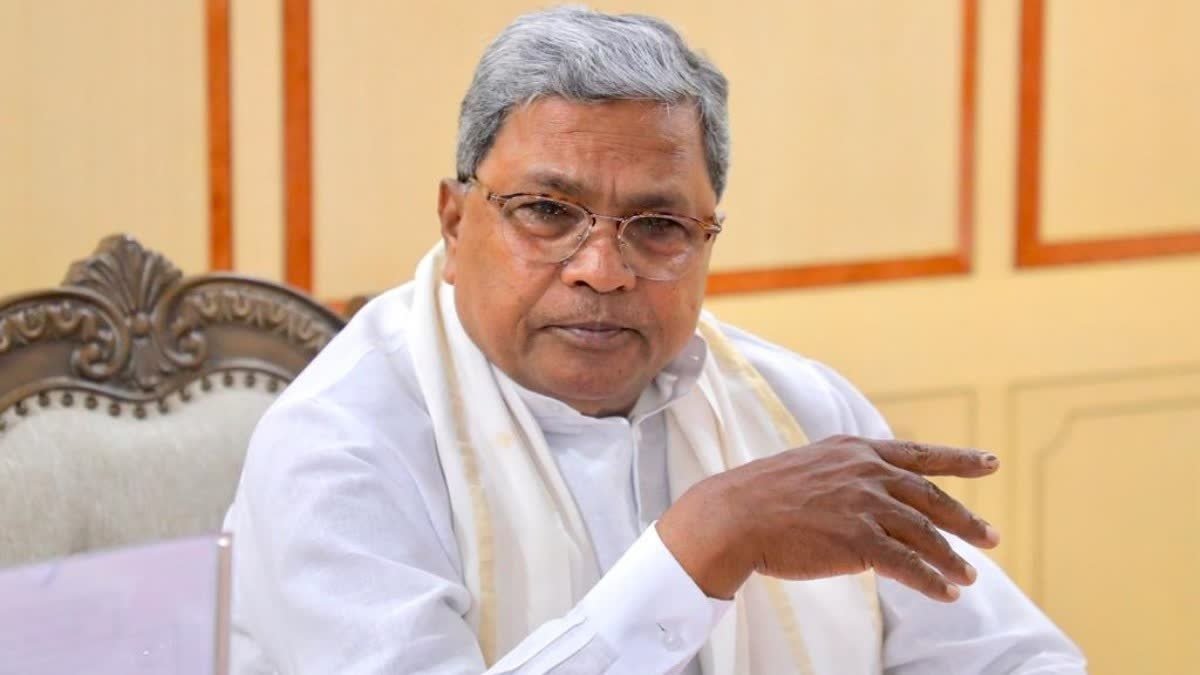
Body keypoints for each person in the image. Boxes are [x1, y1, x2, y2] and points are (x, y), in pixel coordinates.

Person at [223, 7, 1086, 674]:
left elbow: (1016, 658)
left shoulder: (796, 407)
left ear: (709, 237)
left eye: (660, 225)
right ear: (454, 223)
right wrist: (705, 544)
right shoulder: (339, 446)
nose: (602, 269)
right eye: (546, 211)